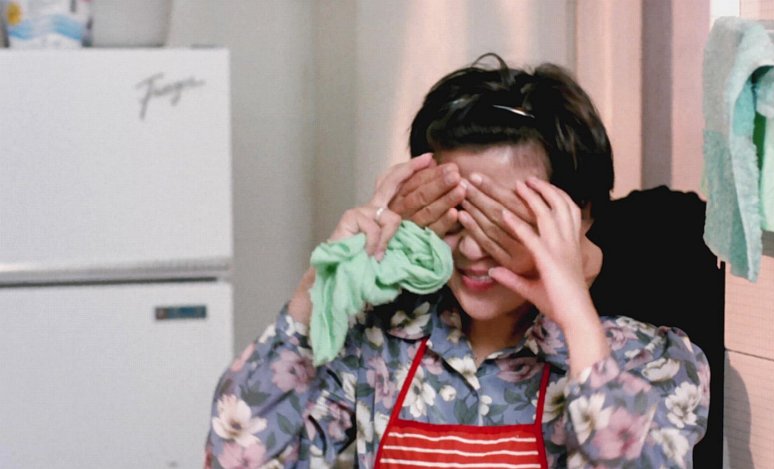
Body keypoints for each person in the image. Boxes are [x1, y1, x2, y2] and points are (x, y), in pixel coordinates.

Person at [204, 54, 710, 468]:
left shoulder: (650, 359)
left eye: (499, 221)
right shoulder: (377, 349)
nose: (470, 249)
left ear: (580, 215)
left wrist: (574, 315)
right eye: (455, 216)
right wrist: (321, 283)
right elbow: (236, 458)